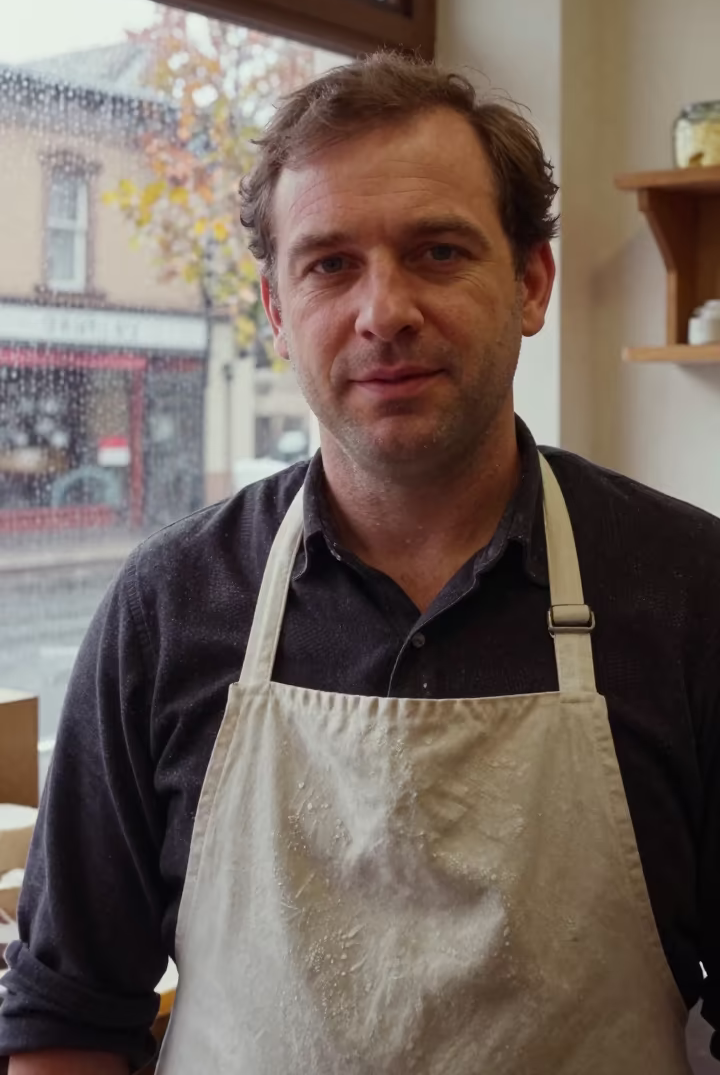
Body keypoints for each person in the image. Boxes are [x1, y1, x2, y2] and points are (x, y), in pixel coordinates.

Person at [0, 53, 718, 1075]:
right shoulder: (168, 608)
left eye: (436, 251)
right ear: (278, 308)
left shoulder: (690, 593)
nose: (384, 311)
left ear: (531, 283)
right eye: (330, 262)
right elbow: (65, 1022)